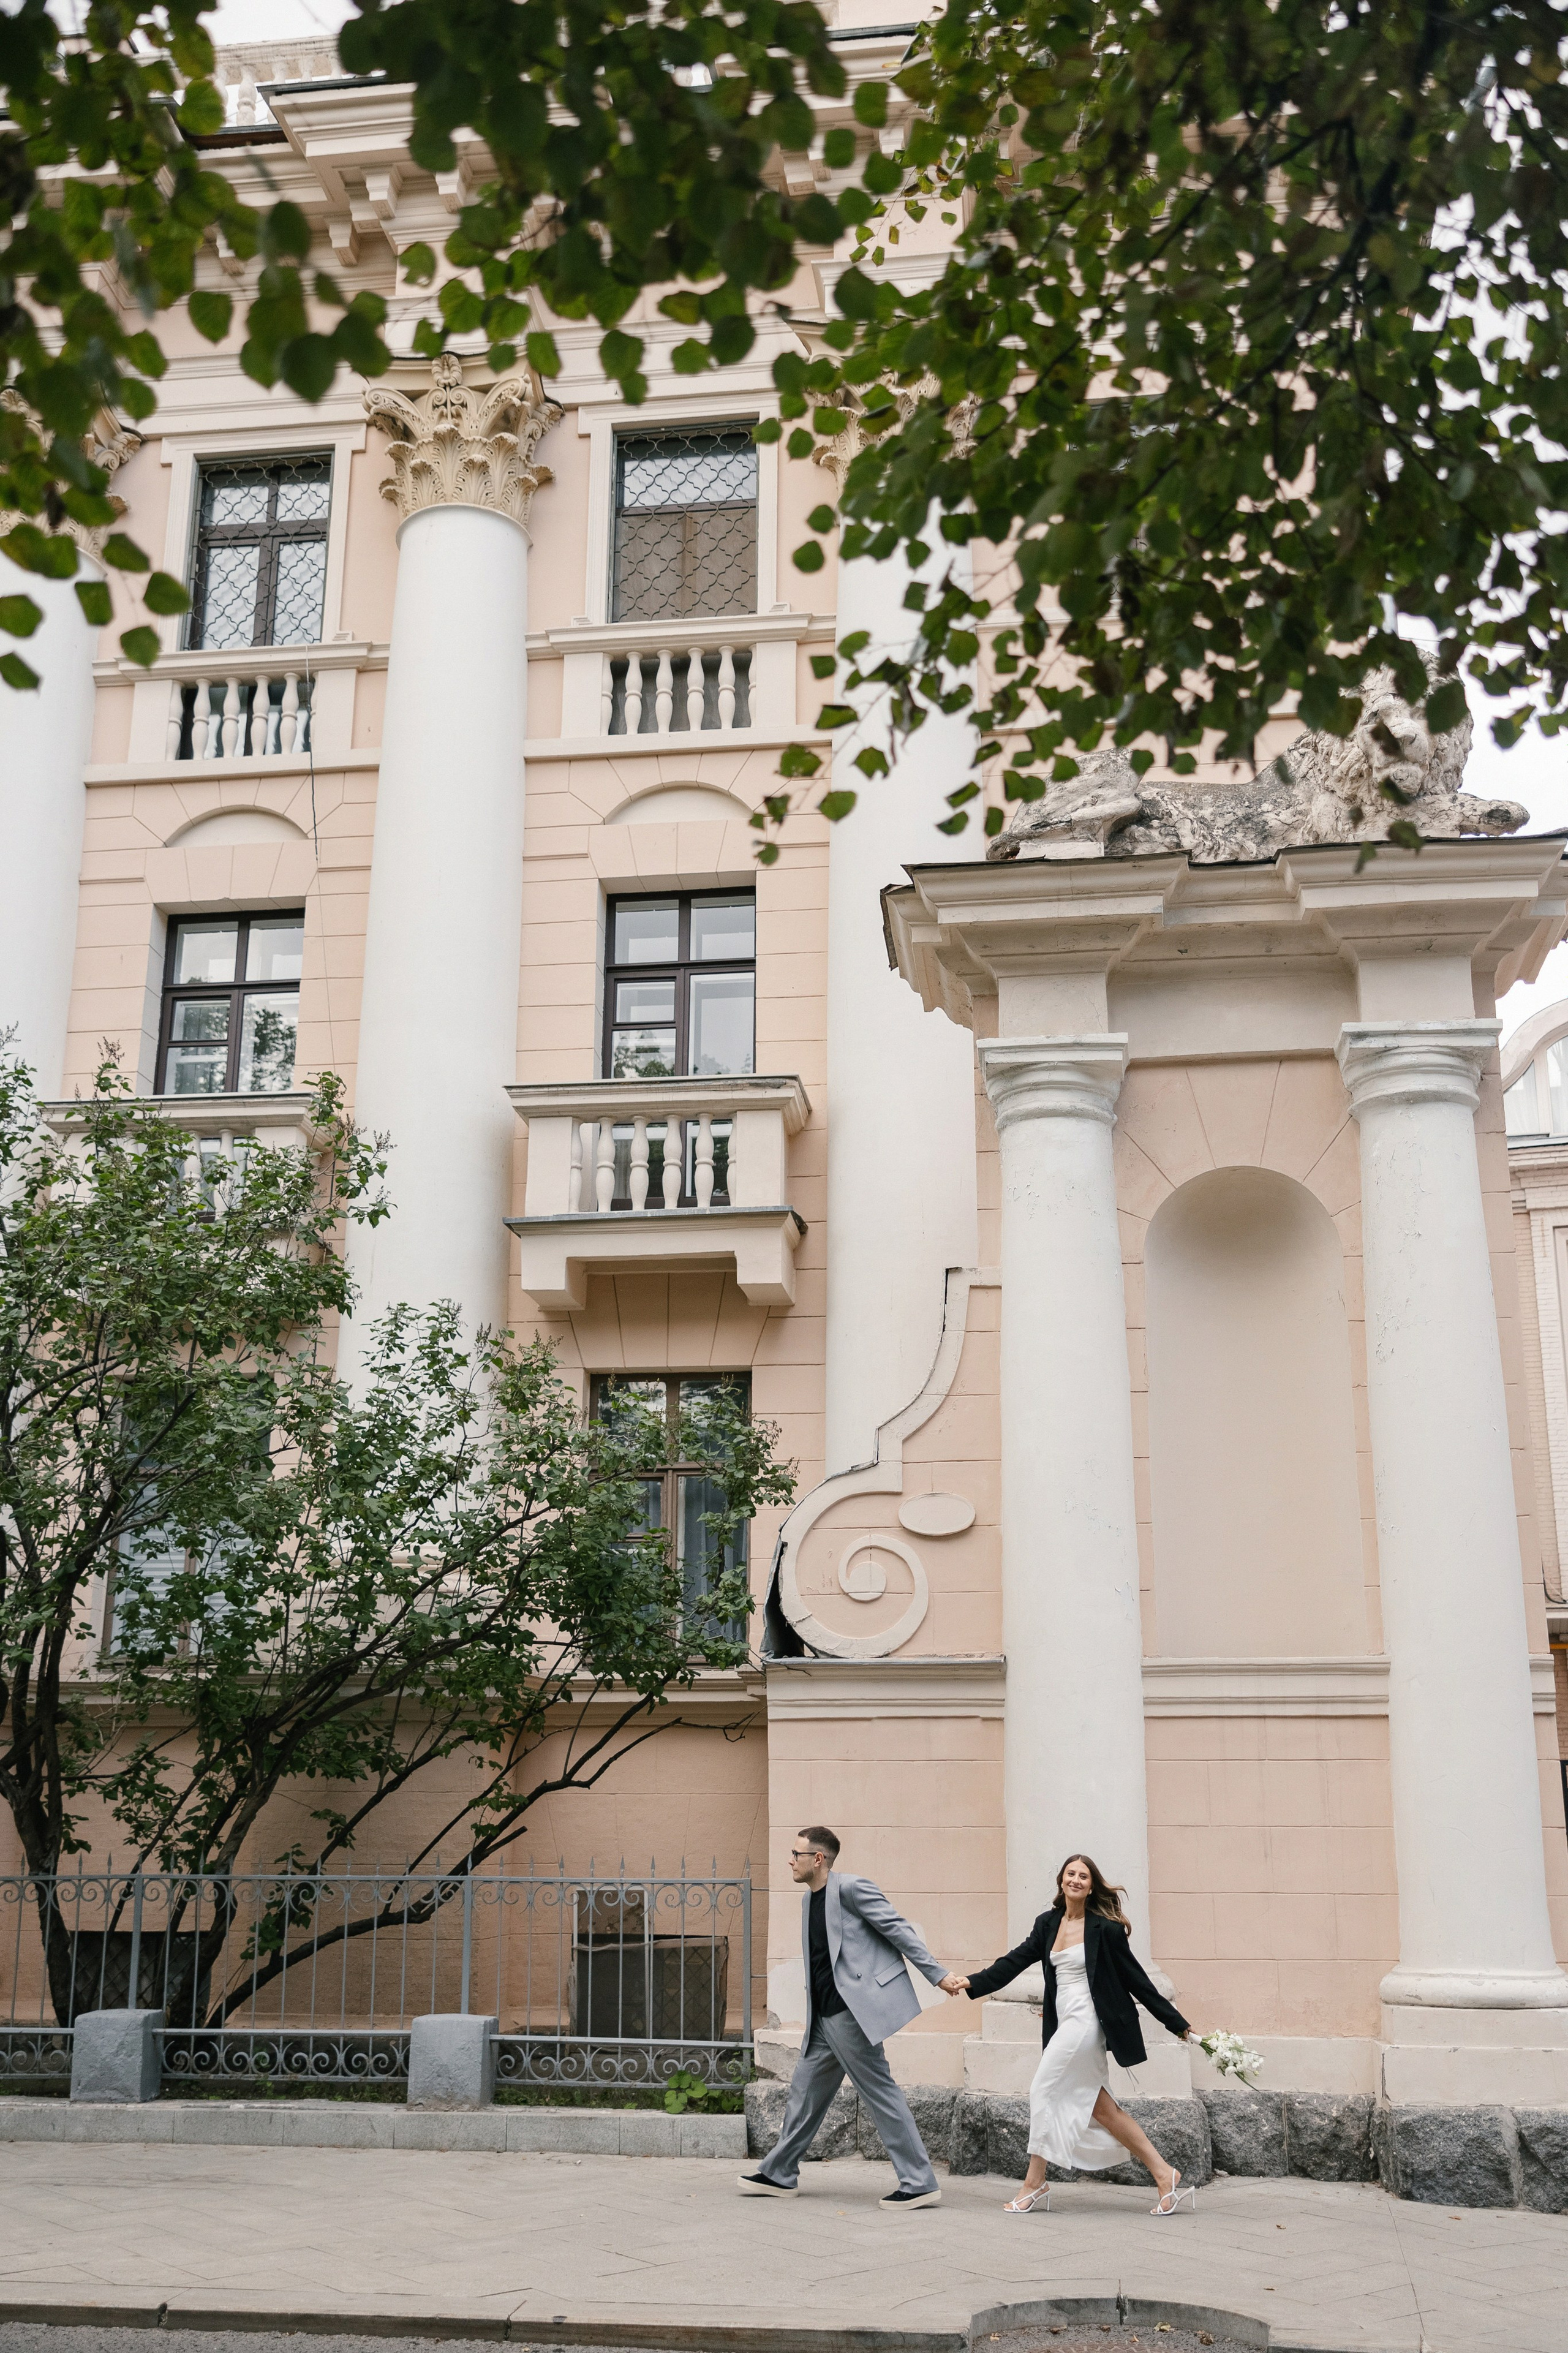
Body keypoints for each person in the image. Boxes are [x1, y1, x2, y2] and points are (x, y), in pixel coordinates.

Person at [951, 1852, 1200, 2217]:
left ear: (1091, 1885)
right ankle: (1166, 2175)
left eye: (1084, 1876)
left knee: (1042, 2089)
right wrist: (971, 1982)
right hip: (1063, 2020)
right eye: (1071, 1874)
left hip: (1088, 2021)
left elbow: (1138, 1982)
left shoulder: (1106, 1929)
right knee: (1101, 2107)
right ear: (1062, 1881)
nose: (1077, 1880)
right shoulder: (1047, 1924)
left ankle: (1034, 2184)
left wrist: (1177, 2023)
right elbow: (1014, 1962)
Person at [737, 1824, 967, 2208]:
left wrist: (938, 1975)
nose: (790, 1861)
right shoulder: (810, 1900)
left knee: (880, 2094)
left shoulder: (851, 1889)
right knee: (805, 2093)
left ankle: (919, 2181)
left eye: (797, 1854)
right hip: (823, 2018)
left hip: (850, 2014)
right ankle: (779, 2173)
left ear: (818, 1859)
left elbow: (899, 1930)